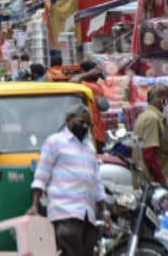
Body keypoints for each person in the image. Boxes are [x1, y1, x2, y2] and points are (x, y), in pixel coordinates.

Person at [27, 104, 108, 256]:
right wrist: (34, 205)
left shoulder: (89, 147)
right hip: (64, 211)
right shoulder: (55, 142)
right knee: (71, 240)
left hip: (87, 213)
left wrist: (104, 210)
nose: (84, 126)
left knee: (87, 250)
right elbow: (41, 175)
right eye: (81, 122)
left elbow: (96, 180)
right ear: (69, 120)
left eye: (87, 124)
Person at [133, 84, 168, 190]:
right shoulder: (152, 119)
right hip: (153, 183)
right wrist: (161, 181)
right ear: (163, 101)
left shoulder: (147, 115)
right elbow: (149, 154)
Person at [70, 61, 107, 152]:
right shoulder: (97, 86)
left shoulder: (88, 86)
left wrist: (87, 74)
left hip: (92, 134)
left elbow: (72, 81)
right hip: (98, 132)